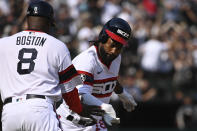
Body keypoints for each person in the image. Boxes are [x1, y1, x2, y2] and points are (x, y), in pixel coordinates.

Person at [0, 1, 99, 131]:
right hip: (40, 110)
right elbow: (69, 91)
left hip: (10, 112)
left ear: (28, 19)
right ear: (49, 22)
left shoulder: (3, 43)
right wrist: (80, 110)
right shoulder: (57, 46)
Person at [57, 17, 137, 131]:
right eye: (113, 44)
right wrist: (104, 107)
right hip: (70, 124)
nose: (114, 51)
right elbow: (81, 95)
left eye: (119, 47)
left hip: (93, 122)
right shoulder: (87, 60)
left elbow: (109, 79)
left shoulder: (116, 58)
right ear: (103, 38)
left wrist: (122, 93)